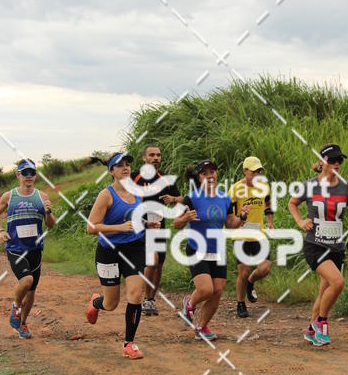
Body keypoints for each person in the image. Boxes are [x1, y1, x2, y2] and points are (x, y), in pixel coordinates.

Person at [289, 144, 348, 347]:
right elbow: (292, 203)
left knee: (324, 292)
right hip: (315, 245)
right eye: (332, 160)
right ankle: (321, 322)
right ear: (323, 161)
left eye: (340, 161)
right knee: (338, 283)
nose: (337, 164)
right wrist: (300, 222)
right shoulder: (309, 185)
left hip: (336, 248)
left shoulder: (346, 187)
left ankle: (310, 329)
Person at [85, 152, 156, 359]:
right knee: (111, 304)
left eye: (127, 165)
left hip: (134, 248)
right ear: (112, 172)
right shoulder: (106, 195)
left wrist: (148, 223)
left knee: (135, 294)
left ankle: (129, 343)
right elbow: (91, 228)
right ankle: (96, 302)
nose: (125, 168)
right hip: (108, 251)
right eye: (119, 166)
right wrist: (119, 228)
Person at [173, 159, 248, 341]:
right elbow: (176, 224)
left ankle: (202, 327)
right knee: (206, 290)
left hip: (217, 250)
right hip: (197, 248)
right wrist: (185, 218)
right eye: (205, 173)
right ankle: (189, 303)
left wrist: (242, 218)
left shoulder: (224, 198)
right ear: (199, 177)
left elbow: (230, 223)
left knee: (218, 290)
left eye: (212, 172)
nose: (210, 176)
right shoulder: (191, 198)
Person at [0, 158, 55, 338]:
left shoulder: (42, 197)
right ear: (17, 174)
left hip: (35, 249)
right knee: (26, 280)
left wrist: (49, 212)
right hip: (15, 247)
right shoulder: (9, 196)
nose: (29, 176)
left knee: (32, 291)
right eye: (25, 173)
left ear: (35, 175)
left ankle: (23, 324)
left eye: (32, 173)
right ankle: (15, 306)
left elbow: (50, 225)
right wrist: (0, 230)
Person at [132, 143, 182, 316]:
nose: (155, 158)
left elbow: (183, 199)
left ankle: (151, 300)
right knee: (151, 260)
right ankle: (144, 298)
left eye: (158, 155)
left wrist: (173, 198)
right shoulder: (135, 177)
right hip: (141, 226)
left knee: (159, 264)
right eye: (152, 155)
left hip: (159, 226)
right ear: (144, 158)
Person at [229, 156, 274, 318]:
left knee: (265, 268)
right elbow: (229, 215)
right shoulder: (235, 189)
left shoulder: (263, 186)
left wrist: (270, 223)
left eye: (259, 172)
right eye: (253, 172)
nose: (256, 175)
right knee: (243, 270)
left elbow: (268, 204)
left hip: (258, 234)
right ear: (245, 171)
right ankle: (241, 303)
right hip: (240, 235)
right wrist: (239, 217)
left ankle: (250, 281)